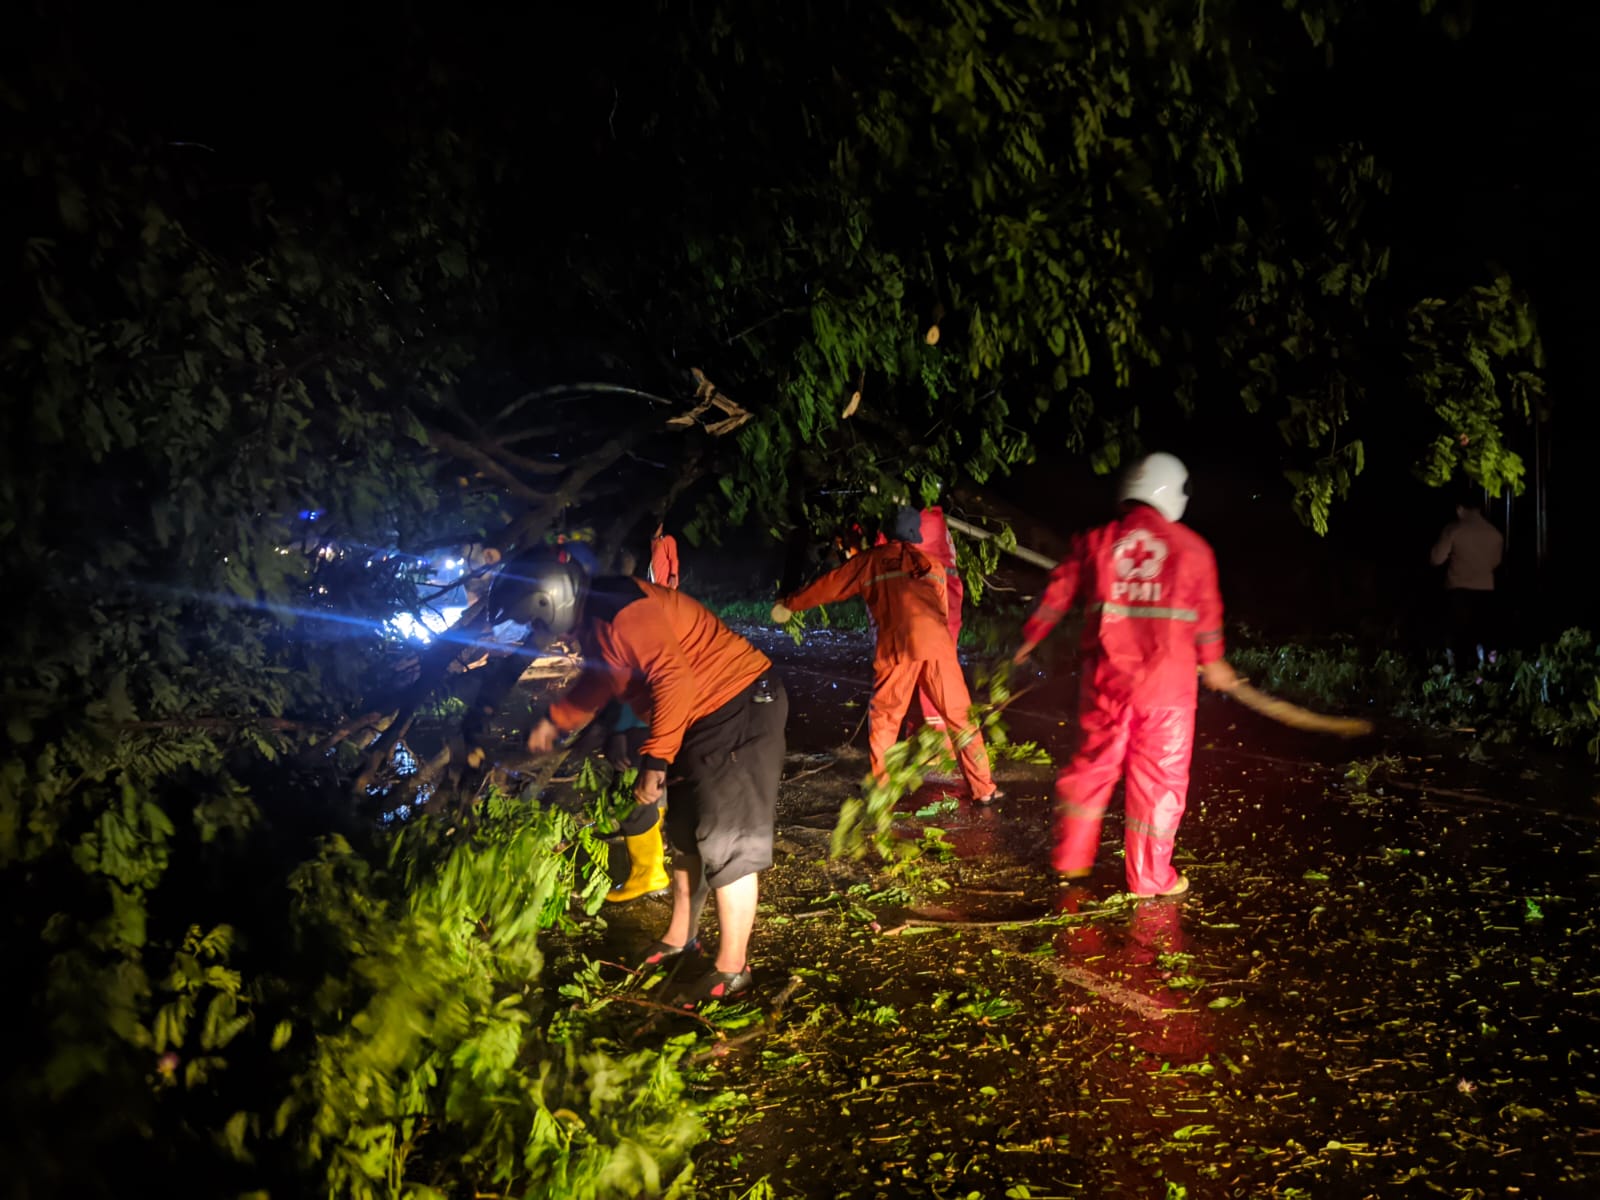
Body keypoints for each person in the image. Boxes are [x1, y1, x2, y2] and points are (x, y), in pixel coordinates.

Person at [520, 552, 786, 1005]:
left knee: (727, 838)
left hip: (735, 704)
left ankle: (733, 968)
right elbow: (605, 679)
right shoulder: (598, 618)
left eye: (538, 620)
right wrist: (556, 719)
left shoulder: (622, 610)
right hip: (698, 718)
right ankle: (680, 938)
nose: (544, 634)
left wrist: (656, 760)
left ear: (552, 601)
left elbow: (674, 680)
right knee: (686, 833)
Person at [1013, 452, 1238, 898]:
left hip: (1106, 685)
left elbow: (1058, 591)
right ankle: (1149, 878)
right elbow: (1207, 618)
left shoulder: (1096, 542)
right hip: (1167, 693)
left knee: (1090, 771)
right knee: (1159, 784)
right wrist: (1213, 662)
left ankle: (1071, 862)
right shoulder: (1194, 550)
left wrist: (1031, 635)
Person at [773, 506, 1001, 805]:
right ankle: (984, 789)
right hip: (939, 648)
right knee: (961, 719)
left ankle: (882, 790)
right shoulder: (932, 564)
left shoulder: (871, 561)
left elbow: (828, 587)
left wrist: (791, 604)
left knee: (886, 718)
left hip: (898, 646)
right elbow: (942, 612)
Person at [910, 505, 964, 756]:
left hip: (936, 598)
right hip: (944, 595)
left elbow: (886, 547)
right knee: (931, 668)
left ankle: (939, 744)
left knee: (933, 670)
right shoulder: (934, 517)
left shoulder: (922, 521)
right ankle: (930, 736)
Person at [1429, 493, 1504, 669]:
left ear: (1460, 509)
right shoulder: (1495, 534)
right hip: (1486, 592)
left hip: (1458, 592)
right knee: (1483, 639)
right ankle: (1485, 678)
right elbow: (1496, 562)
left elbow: (1436, 559)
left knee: (1458, 642)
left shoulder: (1454, 530)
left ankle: (1458, 679)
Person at [649, 523, 680, 589]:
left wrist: (673, 575)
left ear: (661, 527)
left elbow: (674, 559)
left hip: (667, 585)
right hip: (656, 584)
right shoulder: (653, 542)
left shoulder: (667, 540)